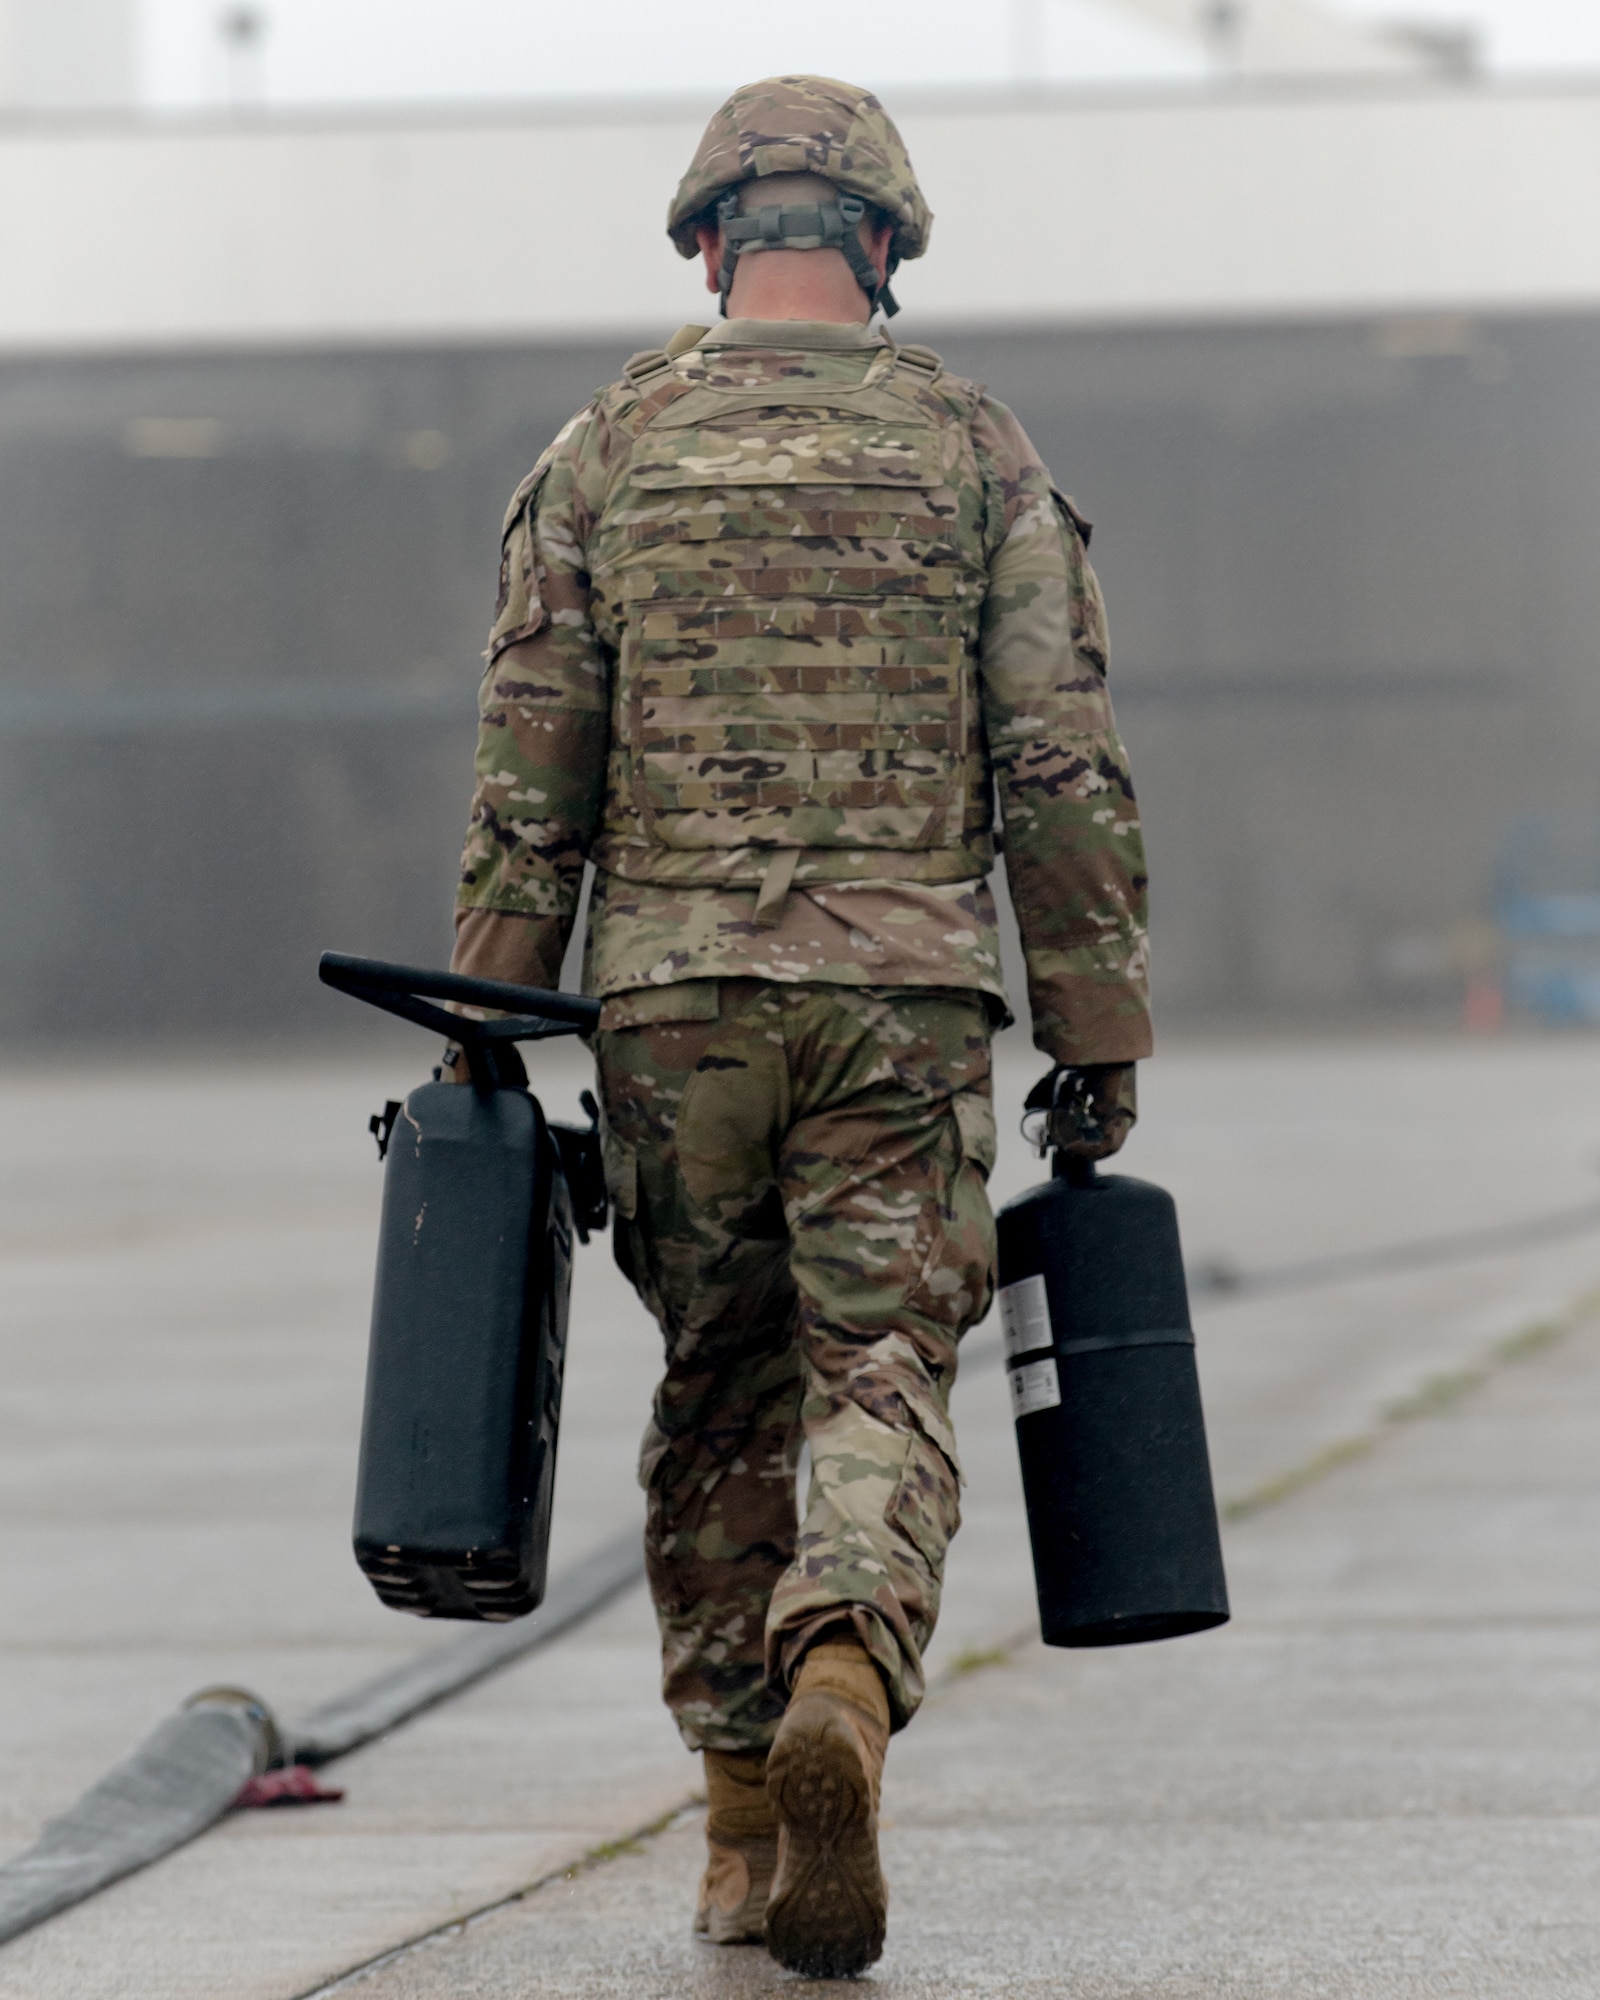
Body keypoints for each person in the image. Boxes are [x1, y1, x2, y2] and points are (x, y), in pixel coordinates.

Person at [445, 73, 1152, 1978]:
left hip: (671, 1009)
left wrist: (489, 1021)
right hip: (904, 999)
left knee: (720, 1384)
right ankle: (844, 1661)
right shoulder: (975, 451)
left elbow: (536, 766)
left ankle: (743, 1825)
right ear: (886, 247)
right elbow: (1058, 756)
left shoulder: (608, 449)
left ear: (706, 244)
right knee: (879, 1369)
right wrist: (1097, 1025)